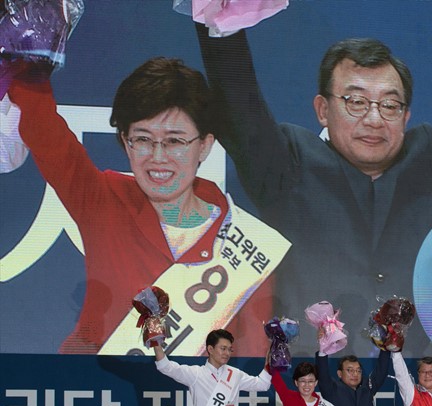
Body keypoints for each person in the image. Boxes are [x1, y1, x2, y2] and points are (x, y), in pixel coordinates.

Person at [195, 8, 432, 355]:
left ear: (406, 115)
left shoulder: (431, 166)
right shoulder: (287, 167)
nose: (374, 119)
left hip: (415, 378)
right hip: (310, 379)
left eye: (390, 105)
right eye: (356, 102)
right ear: (323, 109)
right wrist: (224, 26)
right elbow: (240, 111)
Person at [7, 58, 287, 354]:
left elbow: (250, 361)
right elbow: (44, 128)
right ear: (125, 142)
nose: (158, 157)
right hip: (94, 382)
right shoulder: (104, 200)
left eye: (174, 141)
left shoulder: (249, 245)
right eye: (142, 139)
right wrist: (23, 58)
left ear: (204, 145)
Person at [155, 329, 271, 406]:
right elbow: (165, 366)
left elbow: (262, 384)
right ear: (210, 349)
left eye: (230, 349)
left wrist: (270, 361)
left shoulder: (235, 374)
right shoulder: (196, 374)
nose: (227, 353)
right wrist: (154, 340)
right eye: (223, 348)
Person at [315, 333, 390, 406]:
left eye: (358, 371)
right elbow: (322, 374)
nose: (355, 374)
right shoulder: (332, 390)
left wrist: (386, 346)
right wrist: (323, 350)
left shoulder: (367, 387)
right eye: (350, 370)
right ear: (339, 374)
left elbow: (381, 371)